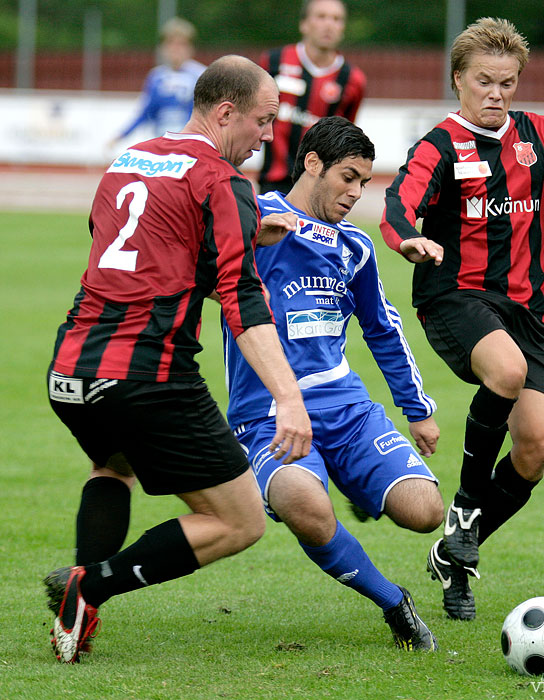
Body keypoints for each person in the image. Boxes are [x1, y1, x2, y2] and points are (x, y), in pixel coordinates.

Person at [44, 55, 312, 664]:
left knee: (113, 466)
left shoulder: (127, 160)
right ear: (225, 112)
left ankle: (74, 618)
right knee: (239, 521)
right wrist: (288, 399)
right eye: (263, 121)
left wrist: (237, 232)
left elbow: (135, 249)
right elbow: (242, 301)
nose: (267, 136)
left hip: (70, 369)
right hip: (148, 373)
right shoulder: (219, 180)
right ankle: (90, 585)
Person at [380, 17, 544, 621]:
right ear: (459, 81)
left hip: (533, 311)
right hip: (456, 296)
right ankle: (467, 512)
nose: (496, 93)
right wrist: (408, 242)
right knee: (504, 371)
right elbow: (398, 204)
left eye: (507, 82)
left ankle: (455, 557)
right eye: (484, 81)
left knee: (536, 446)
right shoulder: (439, 145)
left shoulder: (541, 137)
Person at [222, 116, 443, 651]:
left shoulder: (355, 247)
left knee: (425, 512)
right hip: (270, 413)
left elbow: (383, 328)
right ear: (313, 163)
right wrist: (253, 233)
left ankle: (348, 470)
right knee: (305, 505)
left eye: (364, 182)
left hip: (346, 407)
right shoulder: (254, 220)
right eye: (348, 177)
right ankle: (394, 602)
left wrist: (417, 408)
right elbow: (196, 264)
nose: (355, 192)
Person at [257, 0, 365, 195]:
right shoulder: (274, 62)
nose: (329, 24)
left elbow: (345, 134)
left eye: (336, 19)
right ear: (304, 24)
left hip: (320, 187)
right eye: (321, 16)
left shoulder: (352, 79)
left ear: (343, 27)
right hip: (274, 181)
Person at [110, 17, 206, 146]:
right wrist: (121, 136)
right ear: (163, 47)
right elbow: (146, 112)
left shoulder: (202, 75)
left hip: (191, 145)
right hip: (163, 144)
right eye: (171, 43)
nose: (176, 49)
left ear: (190, 47)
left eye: (181, 44)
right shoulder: (156, 77)